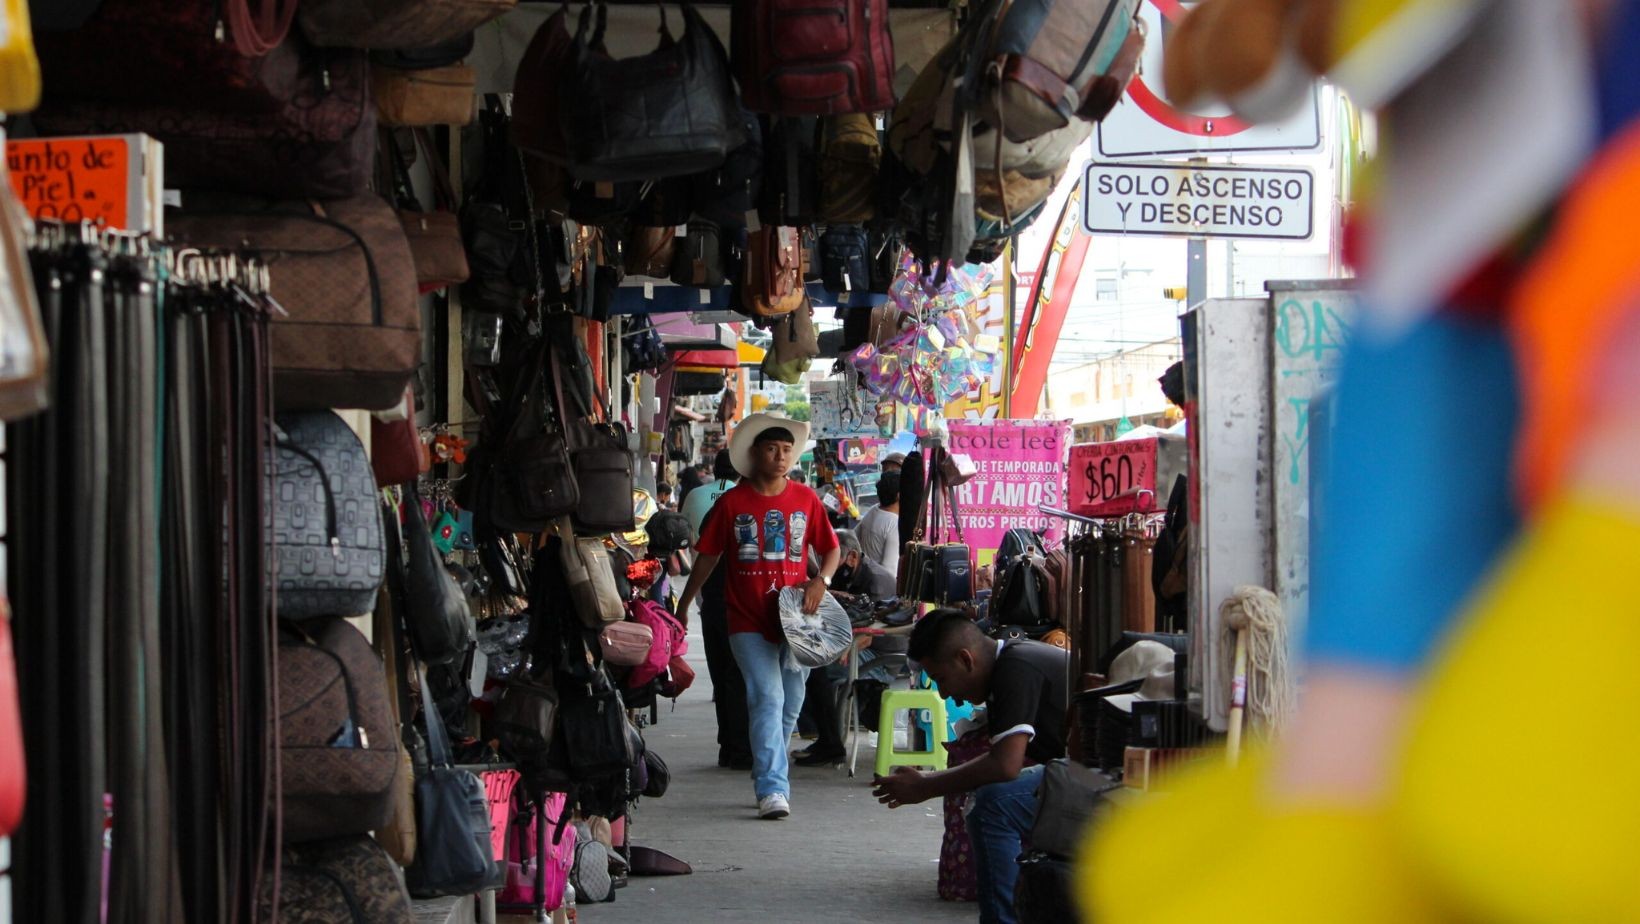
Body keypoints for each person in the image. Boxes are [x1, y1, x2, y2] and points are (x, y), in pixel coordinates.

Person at [677, 414, 840, 820]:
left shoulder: (806, 499)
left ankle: (772, 770)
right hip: (747, 620)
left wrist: (824, 581)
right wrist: (684, 603)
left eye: (787, 450)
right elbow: (709, 556)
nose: (780, 456)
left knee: (790, 704)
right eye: (772, 449)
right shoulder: (732, 502)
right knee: (766, 698)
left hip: (799, 622)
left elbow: (830, 548)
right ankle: (771, 787)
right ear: (754, 454)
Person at [873, 610, 1069, 924]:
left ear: (966, 659)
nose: (943, 693)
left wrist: (926, 785)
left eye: (940, 679)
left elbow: (1005, 765)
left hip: (1102, 775)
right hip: (1077, 771)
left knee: (995, 805)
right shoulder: (1011, 661)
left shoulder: (1016, 668)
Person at [793, 529, 898, 766]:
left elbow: (867, 636)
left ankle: (829, 741)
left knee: (817, 669)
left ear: (851, 557)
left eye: (833, 559)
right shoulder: (846, 575)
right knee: (808, 663)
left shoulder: (876, 580)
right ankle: (825, 738)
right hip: (855, 644)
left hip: (880, 656)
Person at [680, 450, 751, 769]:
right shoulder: (743, 505)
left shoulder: (707, 500)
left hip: (712, 597)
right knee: (739, 676)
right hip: (737, 602)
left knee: (725, 674)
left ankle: (732, 744)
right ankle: (740, 745)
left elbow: (700, 552)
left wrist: (685, 603)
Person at [856, 470, 902, 576]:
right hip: (880, 588)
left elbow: (854, 537)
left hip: (865, 580)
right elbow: (890, 572)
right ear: (899, 496)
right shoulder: (894, 524)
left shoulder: (873, 510)